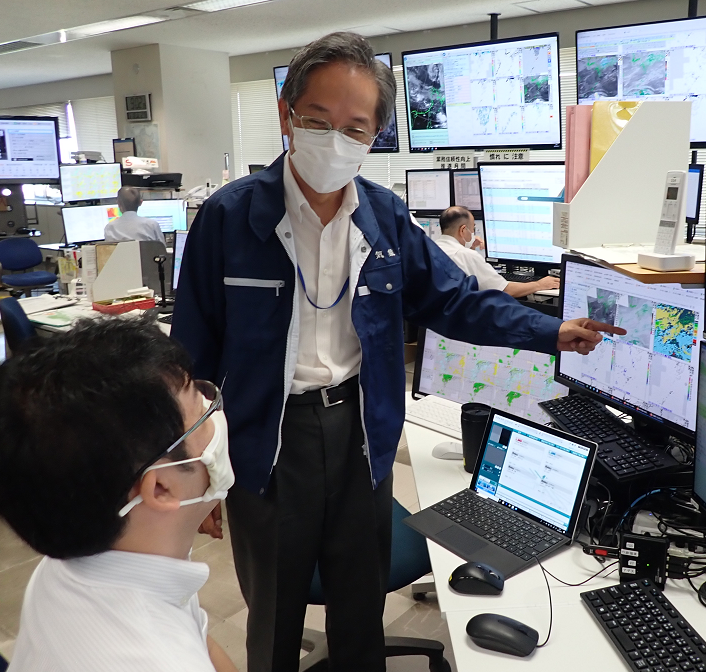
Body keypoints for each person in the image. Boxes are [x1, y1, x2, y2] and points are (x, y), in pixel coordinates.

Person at [172, 31, 625, 672]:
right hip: (267, 442)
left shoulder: (384, 218)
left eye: (355, 128)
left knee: (361, 613)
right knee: (271, 618)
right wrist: (198, 472)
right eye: (318, 121)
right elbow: (188, 358)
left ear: (375, 134)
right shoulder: (228, 218)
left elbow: (455, 301)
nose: (336, 140)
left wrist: (547, 331)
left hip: (362, 431)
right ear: (286, 116)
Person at [0, 318, 236, 672]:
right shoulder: (155, 661)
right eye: (201, 413)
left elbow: (196, 630)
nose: (214, 412)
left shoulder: (77, 564)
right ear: (160, 487)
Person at [435, 205, 561, 297]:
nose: (474, 233)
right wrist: (540, 284)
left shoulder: (432, 248)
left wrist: (469, 246)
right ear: (463, 230)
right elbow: (505, 290)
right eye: (473, 228)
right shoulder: (466, 255)